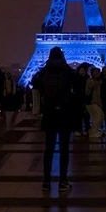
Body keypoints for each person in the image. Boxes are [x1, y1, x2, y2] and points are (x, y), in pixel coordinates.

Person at [33, 47, 75, 193]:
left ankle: (46, 181)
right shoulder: (67, 71)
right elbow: (76, 85)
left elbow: (35, 83)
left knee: (49, 149)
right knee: (64, 149)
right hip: (64, 114)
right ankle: (63, 181)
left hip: (49, 114)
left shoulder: (44, 71)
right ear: (62, 56)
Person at [85, 67, 104, 139]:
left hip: (97, 102)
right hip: (91, 102)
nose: (96, 73)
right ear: (91, 73)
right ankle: (93, 132)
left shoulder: (99, 81)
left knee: (101, 116)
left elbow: (98, 94)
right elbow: (87, 91)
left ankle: (94, 131)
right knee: (97, 117)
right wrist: (97, 83)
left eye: (98, 72)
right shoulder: (90, 80)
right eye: (95, 71)